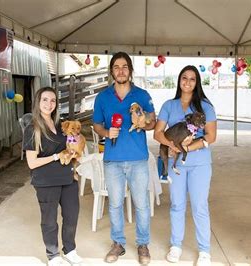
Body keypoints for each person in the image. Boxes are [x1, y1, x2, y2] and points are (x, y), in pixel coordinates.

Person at [93, 52, 156, 264]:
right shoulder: (102, 97)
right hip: (113, 160)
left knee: (141, 205)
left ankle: (143, 244)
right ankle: (118, 243)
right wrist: (105, 133)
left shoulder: (142, 94)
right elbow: (96, 125)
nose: (121, 71)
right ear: (112, 71)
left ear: (130, 70)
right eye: (117, 67)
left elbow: (153, 122)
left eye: (125, 67)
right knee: (115, 205)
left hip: (138, 159)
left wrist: (143, 122)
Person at [153, 65, 217, 266]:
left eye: (192, 79)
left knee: (199, 206)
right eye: (184, 78)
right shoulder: (169, 105)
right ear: (179, 81)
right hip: (176, 165)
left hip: (200, 165)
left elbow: (211, 136)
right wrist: (172, 146)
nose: (187, 82)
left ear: (197, 83)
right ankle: (176, 245)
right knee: (177, 205)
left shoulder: (205, 106)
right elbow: (158, 132)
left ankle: (204, 251)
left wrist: (187, 149)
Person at [23, 87, 82, 266]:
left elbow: (72, 144)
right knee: (49, 220)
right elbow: (32, 163)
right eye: (45, 100)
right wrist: (56, 156)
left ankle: (70, 250)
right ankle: (53, 255)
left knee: (71, 216)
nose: (49, 104)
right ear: (38, 102)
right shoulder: (32, 128)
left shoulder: (61, 125)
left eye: (53, 100)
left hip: (68, 178)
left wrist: (76, 150)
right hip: (46, 181)